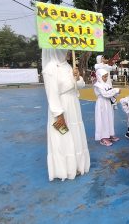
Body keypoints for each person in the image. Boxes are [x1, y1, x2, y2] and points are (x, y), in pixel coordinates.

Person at [41, 49, 90, 181]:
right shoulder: (50, 69)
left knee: (74, 134)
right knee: (63, 136)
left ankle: (76, 165)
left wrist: (78, 76)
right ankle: (65, 169)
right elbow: (52, 94)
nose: (67, 52)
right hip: (60, 107)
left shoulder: (68, 66)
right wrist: (58, 114)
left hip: (73, 105)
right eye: (64, 50)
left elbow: (79, 86)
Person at [94, 68, 121, 146]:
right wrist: (116, 90)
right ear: (99, 76)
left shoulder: (107, 85)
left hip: (108, 103)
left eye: (106, 77)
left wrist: (116, 93)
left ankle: (109, 134)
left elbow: (111, 93)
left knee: (109, 118)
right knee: (103, 119)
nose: (106, 78)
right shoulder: (97, 85)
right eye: (104, 77)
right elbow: (105, 94)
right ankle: (103, 138)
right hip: (102, 104)